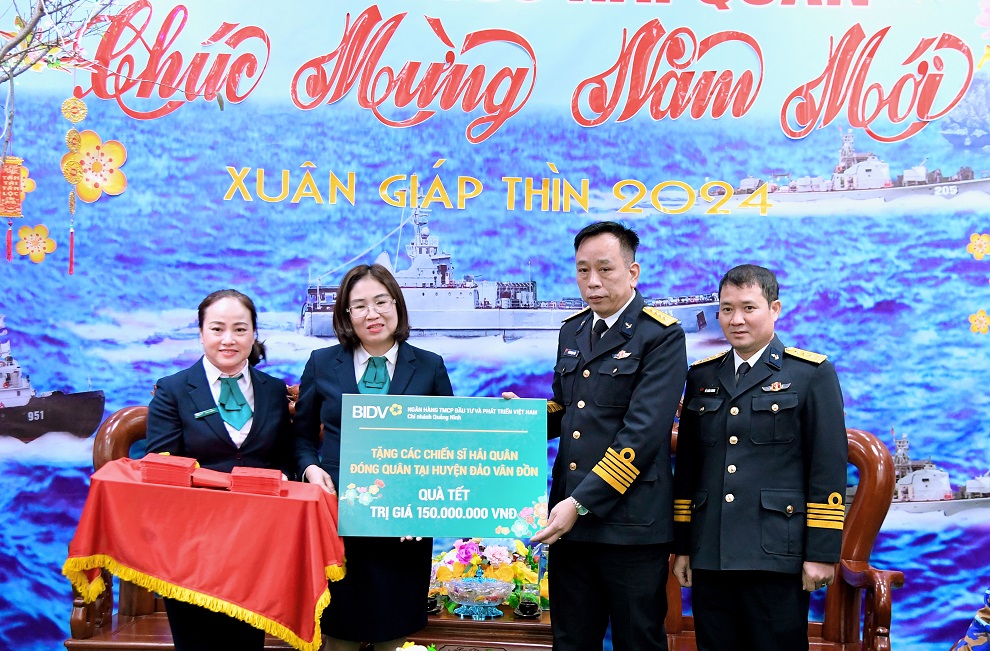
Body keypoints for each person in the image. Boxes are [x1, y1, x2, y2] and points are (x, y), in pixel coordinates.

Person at [509, 221, 688, 651]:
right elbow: (570, 409)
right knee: (571, 641)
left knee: (637, 642)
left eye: (605, 269)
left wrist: (579, 503)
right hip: (569, 523)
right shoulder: (572, 330)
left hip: (630, 525)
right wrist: (522, 419)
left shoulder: (661, 336)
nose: (592, 282)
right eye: (583, 270)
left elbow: (642, 435)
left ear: (632, 272)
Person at [672, 264, 848, 651]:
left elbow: (828, 467)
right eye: (727, 309)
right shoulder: (701, 376)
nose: (736, 320)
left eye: (748, 308)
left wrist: (821, 553)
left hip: (776, 554)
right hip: (711, 553)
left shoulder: (810, 374)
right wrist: (683, 546)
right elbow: (687, 468)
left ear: (775, 309)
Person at [292, 263, 453, 651]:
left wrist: (423, 509)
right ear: (346, 314)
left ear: (397, 304)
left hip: (404, 526)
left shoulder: (429, 366)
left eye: (381, 301)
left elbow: (446, 446)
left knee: (394, 637)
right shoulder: (321, 363)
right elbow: (300, 439)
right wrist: (310, 468)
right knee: (339, 637)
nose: (372, 313)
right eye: (360, 305)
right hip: (337, 522)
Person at [146, 288, 293, 651]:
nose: (229, 339)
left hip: (256, 546)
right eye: (217, 329)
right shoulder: (173, 390)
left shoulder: (274, 391)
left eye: (240, 329)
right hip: (193, 548)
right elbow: (162, 467)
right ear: (201, 333)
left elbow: (286, 460)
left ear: (253, 334)